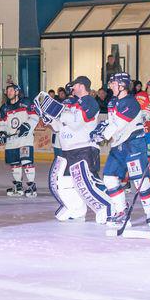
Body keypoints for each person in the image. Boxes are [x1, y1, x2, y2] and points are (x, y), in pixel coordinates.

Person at [90, 72, 150, 226]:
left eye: (114, 83)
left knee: (140, 180)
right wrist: (100, 129)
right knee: (109, 178)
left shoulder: (131, 102)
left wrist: (102, 134)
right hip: (119, 145)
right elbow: (110, 123)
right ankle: (121, 211)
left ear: (122, 85)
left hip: (134, 144)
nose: (110, 85)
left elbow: (118, 124)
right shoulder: (112, 102)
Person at [44, 76, 102, 222]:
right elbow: (59, 127)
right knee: (63, 182)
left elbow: (77, 124)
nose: (72, 89)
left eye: (74, 86)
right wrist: (49, 120)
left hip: (84, 148)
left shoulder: (88, 102)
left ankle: (110, 207)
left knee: (89, 182)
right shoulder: (70, 105)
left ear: (81, 86)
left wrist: (59, 113)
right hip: (68, 150)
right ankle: (76, 209)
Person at [0, 84, 39, 197]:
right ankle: (18, 186)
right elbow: (2, 124)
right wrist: (2, 133)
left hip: (25, 139)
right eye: (7, 90)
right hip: (11, 140)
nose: (9, 92)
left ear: (16, 92)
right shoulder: (4, 108)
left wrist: (27, 126)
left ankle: (31, 186)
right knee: (14, 164)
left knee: (26, 162)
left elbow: (35, 116)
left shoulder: (26, 102)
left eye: (11, 90)